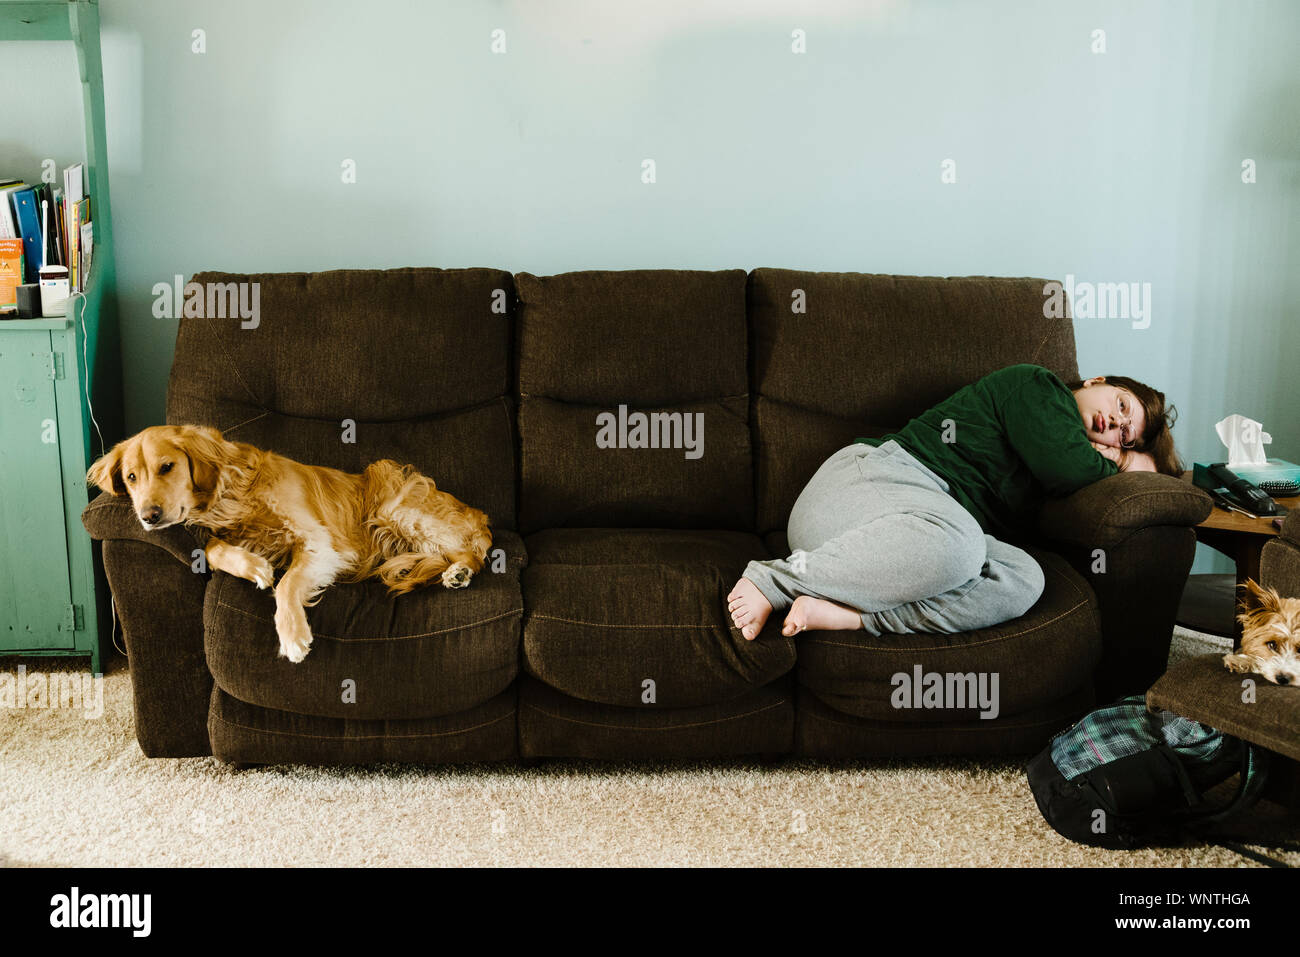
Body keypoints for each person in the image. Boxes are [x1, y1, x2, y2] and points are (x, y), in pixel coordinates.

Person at [726, 363, 1182, 641]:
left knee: (1023, 579)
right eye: (1121, 405)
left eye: (1125, 435)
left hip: (918, 534)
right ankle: (777, 579)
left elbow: (1068, 474)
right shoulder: (1038, 387)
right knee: (962, 546)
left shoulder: (1065, 466)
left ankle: (855, 617)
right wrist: (1124, 463)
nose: (1111, 423)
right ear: (1098, 381)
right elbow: (1069, 467)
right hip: (868, 484)